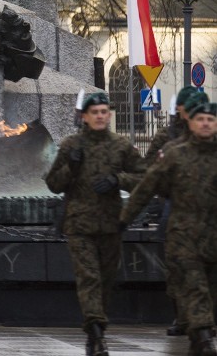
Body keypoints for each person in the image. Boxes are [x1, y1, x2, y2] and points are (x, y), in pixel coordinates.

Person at [45, 90, 145, 356]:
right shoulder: (71, 146)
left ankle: (94, 329)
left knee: (106, 280)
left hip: (111, 223)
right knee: (88, 277)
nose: (100, 116)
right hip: (79, 225)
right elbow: (53, 184)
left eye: (104, 112)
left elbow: (145, 178)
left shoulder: (121, 145)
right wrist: (71, 166)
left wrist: (118, 180)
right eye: (95, 113)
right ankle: (97, 332)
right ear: (85, 117)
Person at [123, 99, 217, 356]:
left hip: (214, 237)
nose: (206, 123)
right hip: (184, 235)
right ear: (192, 123)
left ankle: (200, 336)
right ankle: (205, 334)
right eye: (201, 119)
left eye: (211, 119)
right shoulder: (176, 153)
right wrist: (123, 219)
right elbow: (146, 187)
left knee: (210, 290)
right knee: (195, 285)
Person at [141, 86, 208, 341]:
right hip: (175, 211)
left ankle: (203, 320)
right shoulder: (165, 137)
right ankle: (183, 318)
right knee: (177, 270)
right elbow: (146, 171)